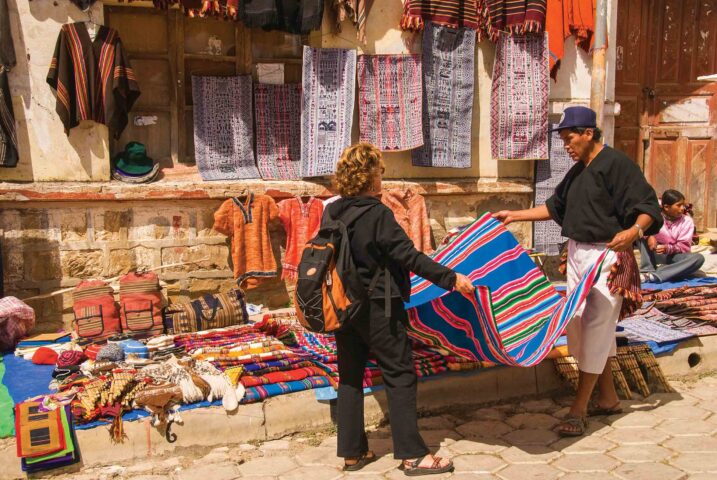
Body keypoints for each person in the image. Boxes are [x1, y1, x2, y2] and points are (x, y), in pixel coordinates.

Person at [493, 106, 662, 437]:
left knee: (597, 327)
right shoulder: (578, 171)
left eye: (570, 139)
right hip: (579, 255)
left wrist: (634, 232)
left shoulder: (616, 165)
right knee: (580, 327)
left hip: (608, 257)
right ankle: (609, 399)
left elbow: (647, 206)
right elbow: (555, 208)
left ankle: (579, 409)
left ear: (589, 133)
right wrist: (513, 215)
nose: (567, 146)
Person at [327, 143, 474, 475]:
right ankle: (413, 455)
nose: (382, 178)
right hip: (379, 306)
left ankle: (352, 454)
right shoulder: (377, 214)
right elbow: (409, 257)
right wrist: (451, 279)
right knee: (400, 373)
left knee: (350, 376)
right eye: (380, 171)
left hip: (342, 306)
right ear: (369, 176)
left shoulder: (332, 211)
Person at [639, 189, 704, 283]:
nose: (682, 208)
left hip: (675, 256)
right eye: (678, 205)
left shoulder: (687, 221)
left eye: (683, 205)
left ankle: (655, 275)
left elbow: (684, 247)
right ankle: (647, 270)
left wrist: (668, 248)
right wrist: (649, 236)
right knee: (640, 233)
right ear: (666, 207)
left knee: (698, 258)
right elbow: (641, 228)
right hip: (655, 253)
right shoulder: (654, 216)